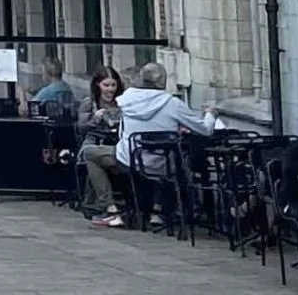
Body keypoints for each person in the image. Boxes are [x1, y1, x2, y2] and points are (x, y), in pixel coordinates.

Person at [102, 60, 216, 227]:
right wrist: (210, 114)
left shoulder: (126, 100)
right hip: (163, 163)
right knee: (181, 161)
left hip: (130, 160)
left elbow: (116, 122)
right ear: (163, 81)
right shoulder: (172, 103)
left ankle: (114, 207)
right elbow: (205, 129)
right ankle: (164, 211)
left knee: (93, 153)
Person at [75, 67, 127, 220]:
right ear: (98, 85)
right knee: (90, 153)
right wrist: (94, 119)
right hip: (95, 139)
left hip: (116, 140)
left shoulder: (122, 101)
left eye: (113, 85)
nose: (110, 89)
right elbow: (81, 127)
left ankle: (101, 204)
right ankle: (98, 203)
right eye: (106, 85)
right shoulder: (90, 103)